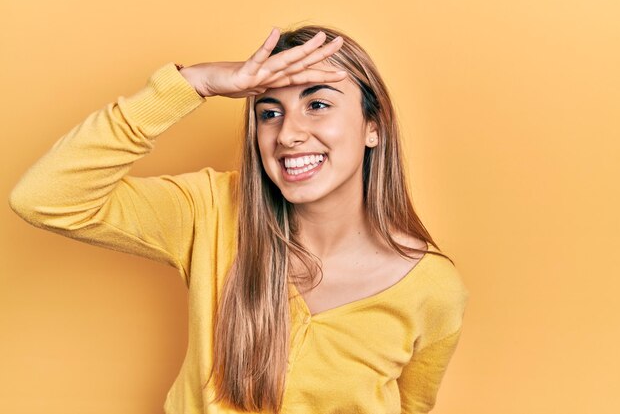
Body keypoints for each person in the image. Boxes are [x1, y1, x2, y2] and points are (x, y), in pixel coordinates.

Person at [9, 24, 469, 414]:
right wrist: (195, 83)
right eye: (270, 112)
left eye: (318, 104)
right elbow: (46, 196)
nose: (288, 133)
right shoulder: (209, 210)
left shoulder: (431, 288)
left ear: (374, 127)